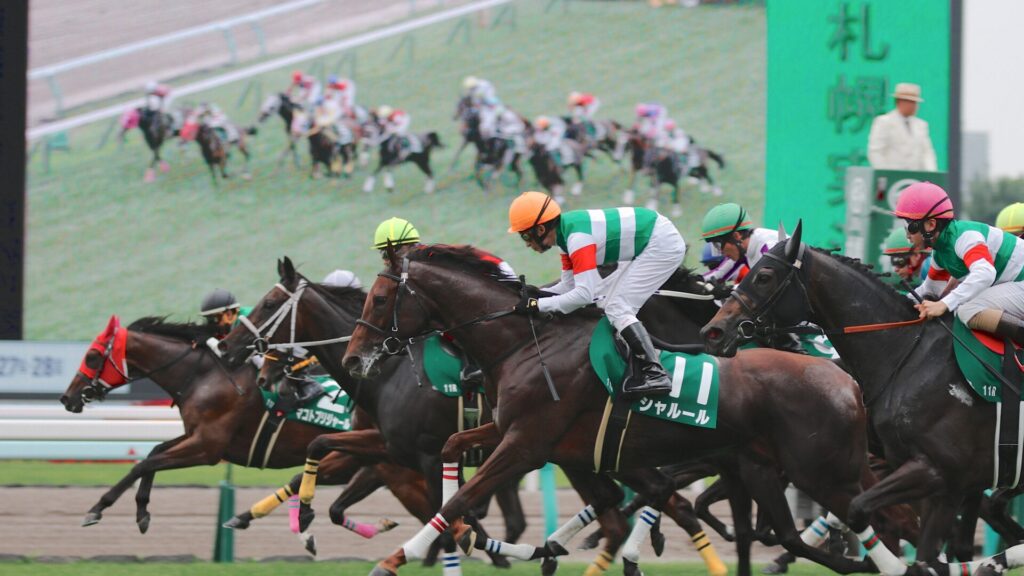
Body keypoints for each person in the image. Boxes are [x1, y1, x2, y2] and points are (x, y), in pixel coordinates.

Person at [507, 191, 686, 398]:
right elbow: (567, 286)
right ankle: (640, 364)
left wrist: (537, 305)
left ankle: (656, 374)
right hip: (649, 240)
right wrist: (535, 295)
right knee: (609, 304)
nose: (527, 243)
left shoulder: (577, 239)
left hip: (661, 244)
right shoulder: (565, 238)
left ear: (540, 228)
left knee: (617, 307)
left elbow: (583, 295)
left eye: (525, 236)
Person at [894, 181, 1024, 345]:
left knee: (967, 309)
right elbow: (930, 290)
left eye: (911, 227)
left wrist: (943, 304)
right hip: (1016, 284)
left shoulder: (965, 237)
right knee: (961, 306)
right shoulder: (940, 251)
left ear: (931, 224)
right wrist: (892, 302)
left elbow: (985, 272)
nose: (907, 235)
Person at [700, 203, 805, 353]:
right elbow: (716, 274)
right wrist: (696, 282)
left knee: (759, 315)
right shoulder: (743, 247)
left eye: (718, 245)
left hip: (799, 298)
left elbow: (768, 287)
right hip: (786, 299)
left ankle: (798, 353)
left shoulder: (768, 244)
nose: (720, 252)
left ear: (736, 236)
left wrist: (728, 290)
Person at [867, 83, 937, 171]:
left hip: (916, 178)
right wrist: (884, 173)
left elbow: (927, 152)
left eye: (915, 103)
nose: (914, 106)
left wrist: (931, 173)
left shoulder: (921, 125)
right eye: (910, 102)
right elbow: (876, 152)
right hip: (893, 177)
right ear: (899, 102)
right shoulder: (884, 122)